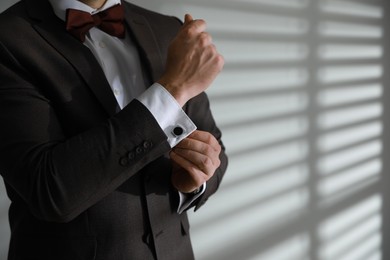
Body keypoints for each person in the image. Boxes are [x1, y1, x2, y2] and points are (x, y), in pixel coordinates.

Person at [0, 0, 228, 259]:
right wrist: (173, 90)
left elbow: (214, 147)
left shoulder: (168, 29)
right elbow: (49, 191)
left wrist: (193, 182)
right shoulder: (7, 39)